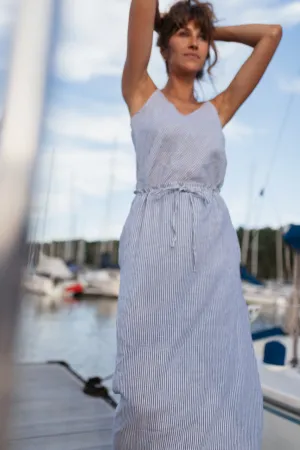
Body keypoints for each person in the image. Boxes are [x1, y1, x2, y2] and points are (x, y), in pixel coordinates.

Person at [112, 1, 282, 449]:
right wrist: (164, 22)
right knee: (143, 381)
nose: (192, 41)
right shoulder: (140, 92)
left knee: (214, 368)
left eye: (199, 36)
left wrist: (213, 32)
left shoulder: (218, 109)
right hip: (153, 242)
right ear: (163, 44)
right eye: (182, 33)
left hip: (211, 250)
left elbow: (272, 34)